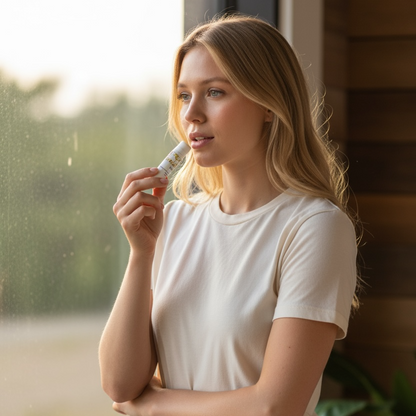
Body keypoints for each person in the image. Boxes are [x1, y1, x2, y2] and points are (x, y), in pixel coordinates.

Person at [99, 14, 359, 416]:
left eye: (215, 92)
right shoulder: (175, 222)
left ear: (269, 105)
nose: (191, 115)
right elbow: (118, 383)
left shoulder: (316, 228)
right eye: (184, 95)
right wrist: (140, 254)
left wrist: (149, 407)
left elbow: (275, 406)